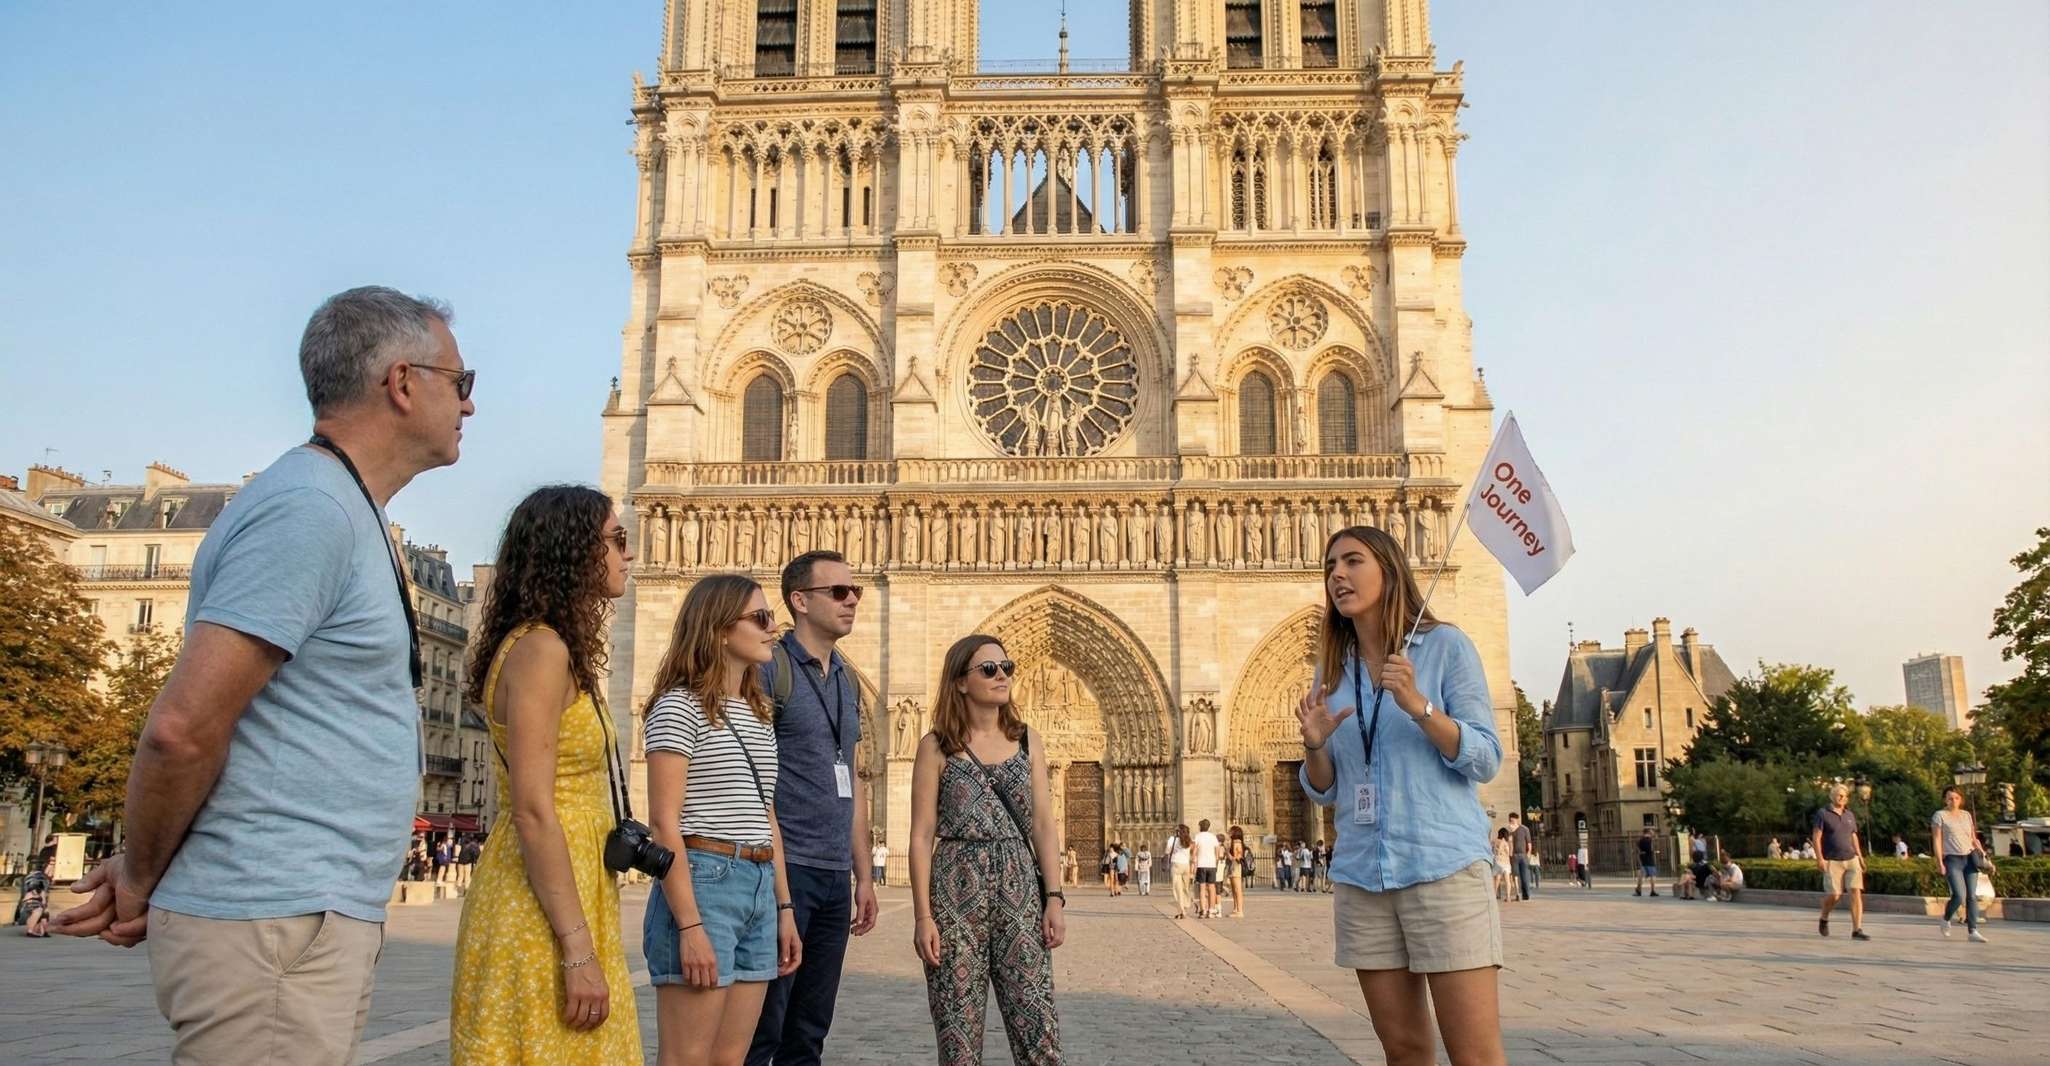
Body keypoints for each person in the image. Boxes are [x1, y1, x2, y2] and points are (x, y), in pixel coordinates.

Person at [53, 287, 472, 1063]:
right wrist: (140, 875)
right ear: (402, 383)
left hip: (297, 916)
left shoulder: (338, 506)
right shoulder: (310, 510)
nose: (469, 404)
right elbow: (183, 727)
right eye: (460, 381)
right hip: (272, 916)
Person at [1296, 525, 1508, 1066]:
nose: (1337, 575)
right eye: (1330, 566)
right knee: (1404, 1052)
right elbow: (1325, 789)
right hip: (1363, 876)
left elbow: (1485, 758)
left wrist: (1419, 706)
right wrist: (1315, 745)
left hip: (1441, 866)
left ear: (1389, 571)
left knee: (1475, 1055)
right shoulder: (1332, 671)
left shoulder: (1445, 647)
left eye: (1352, 561)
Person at [449, 486, 643, 1063]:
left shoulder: (550, 647)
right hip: (539, 909)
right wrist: (578, 951)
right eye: (617, 539)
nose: (629, 553)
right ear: (573, 549)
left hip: (568, 893)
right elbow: (534, 810)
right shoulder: (541, 650)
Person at [642, 574, 804, 1066]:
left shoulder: (758, 712)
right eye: (761, 617)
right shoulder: (678, 706)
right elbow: (663, 823)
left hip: (758, 881)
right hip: (704, 882)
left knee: (732, 1059)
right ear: (718, 630)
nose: (774, 628)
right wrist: (689, 925)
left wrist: (784, 906)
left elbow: (766, 814)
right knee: (687, 1058)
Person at [748, 550, 879, 1066]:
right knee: (764, 1026)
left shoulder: (846, 679)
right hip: (786, 869)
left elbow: (854, 779)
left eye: (855, 591)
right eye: (839, 592)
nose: (852, 601)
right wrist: (780, 893)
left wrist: (863, 875)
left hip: (831, 876)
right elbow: (753, 781)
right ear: (799, 601)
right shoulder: (768, 671)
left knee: (809, 1031)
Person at [910, 634, 1065, 1065]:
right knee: (957, 1040)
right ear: (960, 681)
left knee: (1039, 1032)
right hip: (955, 896)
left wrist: (1054, 898)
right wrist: (923, 917)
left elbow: (1043, 824)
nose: (1003, 676)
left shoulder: (1028, 740)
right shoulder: (936, 746)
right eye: (989, 669)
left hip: (1020, 893)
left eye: (1007, 668)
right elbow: (921, 835)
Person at [1932, 785, 1994, 943]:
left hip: (1969, 858)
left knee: (1972, 896)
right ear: (1945, 800)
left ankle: (1973, 931)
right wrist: (1939, 862)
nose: (1953, 801)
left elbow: (1973, 838)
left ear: (1961, 800)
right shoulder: (1939, 816)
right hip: (1952, 859)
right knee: (1959, 895)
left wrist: (1985, 857)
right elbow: (1937, 840)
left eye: (1956, 798)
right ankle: (1946, 918)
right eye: (1950, 798)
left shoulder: (1966, 815)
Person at [1813, 783, 1869, 940]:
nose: (1842, 798)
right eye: (1839, 795)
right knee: (1835, 894)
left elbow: (1853, 836)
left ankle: (1857, 929)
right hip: (1832, 860)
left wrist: (1860, 856)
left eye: (1845, 796)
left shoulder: (1849, 815)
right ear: (1832, 796)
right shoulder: (1823, 813)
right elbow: (1816, 837)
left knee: (1856, 891)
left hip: (1851, 858)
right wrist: (1820, 858)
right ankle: (1824, 917)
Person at [1192, 819, 1222, 918]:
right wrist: (1216, 862)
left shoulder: (1198, 836)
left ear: (1200, 826)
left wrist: (1193, 862)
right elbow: (1217, 852)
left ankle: (1203, 910)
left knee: (1202, 888)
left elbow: (1194, 851)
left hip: (1201, 865)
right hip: (1211, 865)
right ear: (1208, 827)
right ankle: (1211, 910)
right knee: (1212, 888)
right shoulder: (1213, 837)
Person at [18, 859, 52, 937]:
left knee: (43, 914)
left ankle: (42, 931)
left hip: (29, 899)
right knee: (39, 911)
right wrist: (43, 900)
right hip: (34, 899)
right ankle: (31, 931)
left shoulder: (28, 877)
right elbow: (37, 889)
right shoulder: (39, 876)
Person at [1168, 826, 1195, 919]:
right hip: (1186, 865)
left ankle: (1182, 910)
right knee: (1185, 888)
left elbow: (1167, 850)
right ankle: (1186, 905)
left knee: (1177, 888)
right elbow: (1191, 851)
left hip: (1176, 865)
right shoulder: (1190, 840)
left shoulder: (1173, 839)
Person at [1508, 814, 1533, 902]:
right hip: (1514, 855)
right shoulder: (1509, 830)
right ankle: (1517, 894)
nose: (1512, 822)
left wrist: (1529, 853)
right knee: (1515, 875)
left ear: (1517, 819)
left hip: (1523, 855)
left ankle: (1526, 895)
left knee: (1524, 876)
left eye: (1513, 820)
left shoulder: (1524, 829)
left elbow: (1529, 842)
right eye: (1510, 820)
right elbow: (1509, 843)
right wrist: (1511, 833)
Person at [1227, 827, 1249, 917]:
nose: (1229, 832)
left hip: (1236, 866)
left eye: (1231, 831)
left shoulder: (1237, 842)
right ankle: (1235, 908)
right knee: (1234, 889)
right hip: (1233, 866)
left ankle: (1240, 911)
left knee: (1237, 889)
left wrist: (1229, 854)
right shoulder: (1234, 842)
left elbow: (1238, 856)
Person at [1634, 829, 1659, 897]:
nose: (1653, 833)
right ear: (1649, 832)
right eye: (1652, 832)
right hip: (1649, 859)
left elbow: (1638, 850)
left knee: (1641, 876)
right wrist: (1654, 851)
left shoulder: (1640, 840)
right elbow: (1650, 849)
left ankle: (1639, 891)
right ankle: (1652, 891)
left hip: (1642, 859)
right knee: (1652, 876)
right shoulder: (1650, 840)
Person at [1491, 830, 1514, 902]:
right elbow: (1508, 853)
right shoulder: (1505, 843)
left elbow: (1491, 850)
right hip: (1506, 863)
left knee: (1497, 879)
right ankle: (1508, 897)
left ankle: (1494, 895)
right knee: (1507, 880)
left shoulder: (1494, 841)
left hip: (1497, 861)